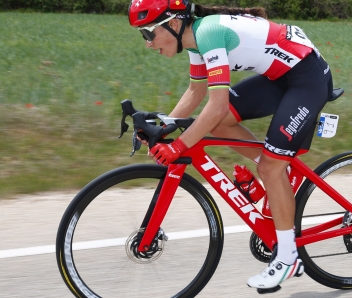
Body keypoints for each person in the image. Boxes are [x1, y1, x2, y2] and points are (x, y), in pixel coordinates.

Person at [128, 0, 333, 293]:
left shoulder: (208, 34)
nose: (148, 44)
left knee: (268, 166)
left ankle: (288, 258)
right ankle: (278, 172)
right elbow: (196, 91)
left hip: (306, 78)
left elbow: (217, 103)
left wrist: (179, 146)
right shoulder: (196, 40)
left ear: (173, 24)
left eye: (148, 33)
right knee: (224, 126)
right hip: (280, 77)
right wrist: (162, 130)